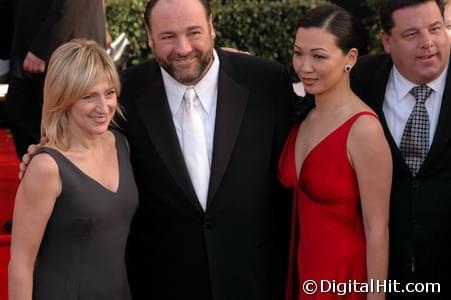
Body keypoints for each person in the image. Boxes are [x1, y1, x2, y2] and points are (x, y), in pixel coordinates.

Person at [120, 0, 294, 299]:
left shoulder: (266, 81)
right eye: (167, 37)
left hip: (255, 280)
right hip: (162, 283)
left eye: (194, 32)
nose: (184, 48)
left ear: (212, 27)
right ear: (149, 38)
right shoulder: (123, 93)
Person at [8, 39, 138, 299]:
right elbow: (21, 265)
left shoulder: (121, 143)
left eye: (109, 93)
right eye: (88, 96)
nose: (104, 108)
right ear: (64, 98)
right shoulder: (47, 167)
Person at [279, 5, 392, 300]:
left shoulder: (364, 130)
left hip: (344, 282)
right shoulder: (302, 119)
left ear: (350, 59)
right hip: (302, 276)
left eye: (318, 56)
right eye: (298, 53)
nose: (304, 66)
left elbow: (377, 229)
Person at [351, 0, 451, 298]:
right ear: (386, 41)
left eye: (436, 28)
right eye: (412, 35)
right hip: (385, 275)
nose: (428, 43)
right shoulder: (360, 80)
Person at [6, 0, 108, 158]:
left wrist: (42, 48)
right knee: (23, 113)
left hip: (66, 50)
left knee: (69, 124)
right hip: (30, 50)